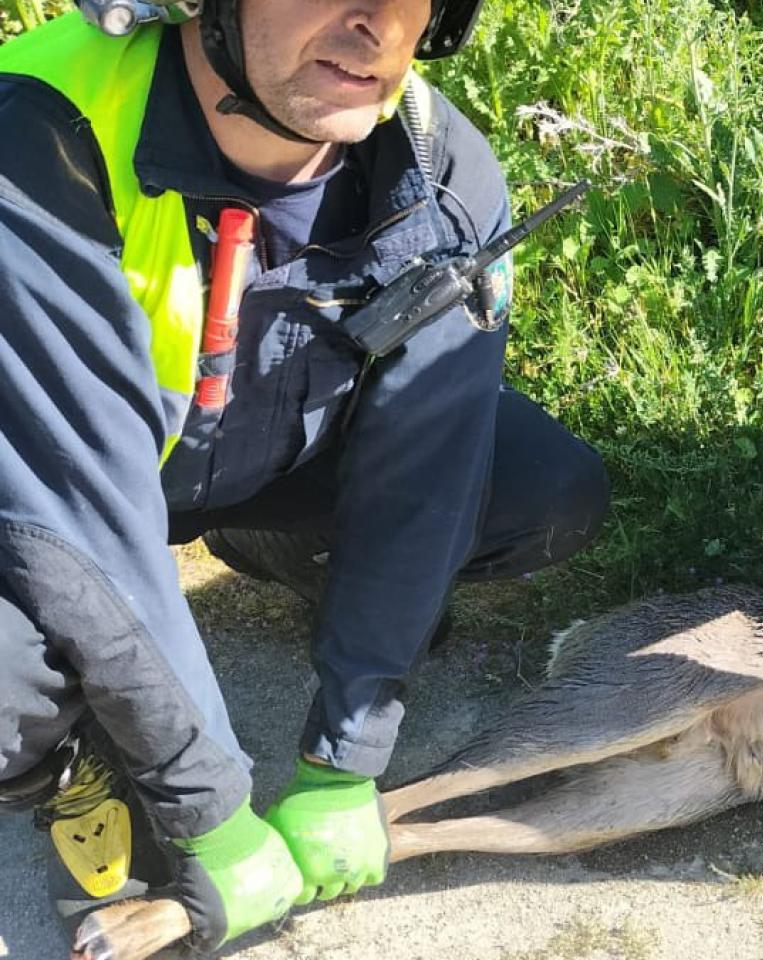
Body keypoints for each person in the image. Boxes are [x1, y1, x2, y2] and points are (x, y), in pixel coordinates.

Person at [0, 0, 609, 950]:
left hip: (241, 452)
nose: (373, 22)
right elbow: (73, 511)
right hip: (44, 479)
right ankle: (73, 765)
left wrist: (345, 758)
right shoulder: (38, 132)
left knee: (537, 490)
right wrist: (211, 809)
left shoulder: (438, 165)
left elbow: (428, 471)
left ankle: (277, 548)